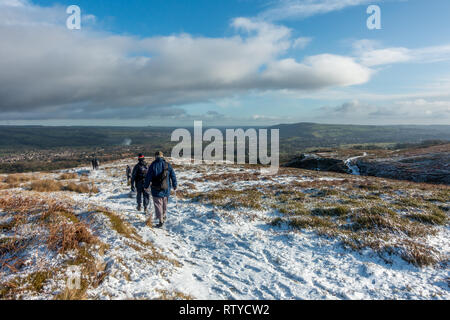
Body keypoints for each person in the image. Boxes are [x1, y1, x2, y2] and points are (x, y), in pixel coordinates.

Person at [144, 151, 177, 228]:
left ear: (155, 156)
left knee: (158, 204)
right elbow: (173, 175)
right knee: (164, 203)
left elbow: (148, 177)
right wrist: (175, 185)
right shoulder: (168, 165)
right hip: (166, 188)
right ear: (162, 156)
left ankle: (161, 221)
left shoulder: (152, 165)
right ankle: (164, 215)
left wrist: (146, 186)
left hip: (156, 189)